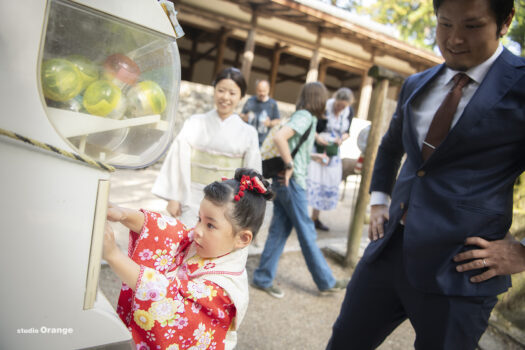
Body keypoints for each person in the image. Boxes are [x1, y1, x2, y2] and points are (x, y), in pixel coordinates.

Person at [327, 1, 525, 349]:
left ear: (505, 21)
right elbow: (390, 148)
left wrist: (523, 252)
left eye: (472, 26)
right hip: (387, 254)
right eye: (444, 24)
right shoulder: (417, 84)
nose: (454, 39)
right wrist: (378, 201)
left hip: (460, 272)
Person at [103, 168, 274, 350]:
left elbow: (166, 296)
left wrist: (114, 255)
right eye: (199, 219)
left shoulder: (225, 291)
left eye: (210, 225)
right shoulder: (216, 246)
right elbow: (166, 230)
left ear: (242, 238)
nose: (197, 230)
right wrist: (122, 214)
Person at [252, 82, 347, 298]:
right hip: (291, 182)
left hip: (285, 181)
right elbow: (280, 138)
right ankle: (326, 281)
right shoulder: (304, 116)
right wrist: (289, 165)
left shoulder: (307, 118)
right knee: (307, 230)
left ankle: (262, 278)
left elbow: (296, 147)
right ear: (319, 99)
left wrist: (313, 156)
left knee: (279, 231)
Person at [152, 67, 261, 227]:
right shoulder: (195, 122)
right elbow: (177, 158)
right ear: (214, 90)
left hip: (230, 200)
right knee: (189, 241)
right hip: (193, 196)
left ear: (241, 97)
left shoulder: (249, 132)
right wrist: (174, 197)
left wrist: (246, 207)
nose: (225, 97)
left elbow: (252, 172)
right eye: (221, 90)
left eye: (232, 93)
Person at [307, 87, 354, 231]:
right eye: (339, 105)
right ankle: (302, 216)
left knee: (324, 183)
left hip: (333, 152)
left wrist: (342, 139)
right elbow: (311, 125)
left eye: (343, 106)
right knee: (312, 179)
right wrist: (318, 138)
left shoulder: (348, 112)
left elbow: (347, 132)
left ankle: (315, 218)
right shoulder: (324, 106)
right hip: (318, 149)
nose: (340, 108)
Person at [240, 79, 281, 146]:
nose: (262, 93)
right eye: (259, 91)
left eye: (264, 91)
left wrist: (270, 123)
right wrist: (244, 117)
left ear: (268, 90)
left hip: (263, 141)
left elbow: (278, 120)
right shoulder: (250, 101)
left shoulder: (273, 104)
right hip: (247, 138)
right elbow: (241, 115)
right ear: (256, 90)